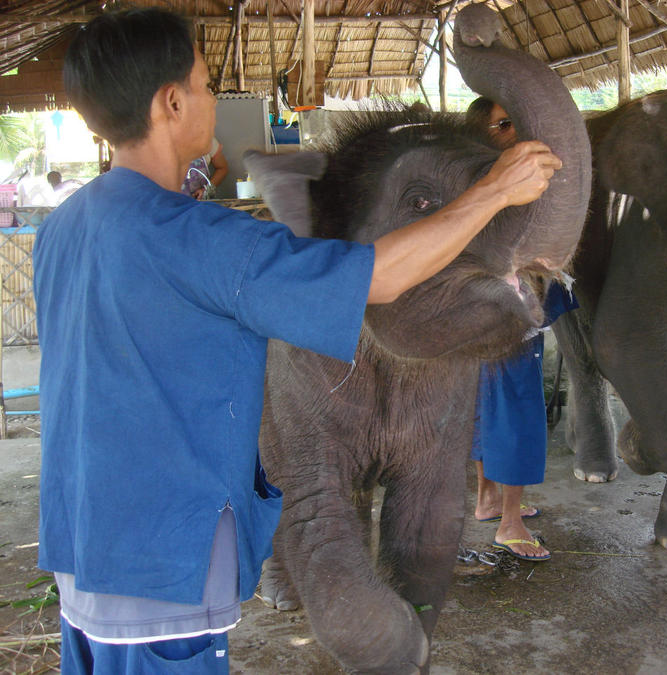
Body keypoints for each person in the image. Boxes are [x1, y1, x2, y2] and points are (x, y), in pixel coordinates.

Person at [33, 10, 561, 673]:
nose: (211, 101)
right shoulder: (208, 242)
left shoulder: (62, 228)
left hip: (83, 556)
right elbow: (380, 276)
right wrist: (492, 192)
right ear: (170, 102)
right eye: (202, 85)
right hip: (164, 566)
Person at [466, 97, 577, 562]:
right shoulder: (501, 184)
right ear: (482, 134)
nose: (513, 132)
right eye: (503, 124)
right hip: (507, 319)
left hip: (478, 318)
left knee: (486, 411)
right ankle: (509, 524)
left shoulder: (475, 181)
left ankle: (488, 500)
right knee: (518, 418)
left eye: (516, 121)